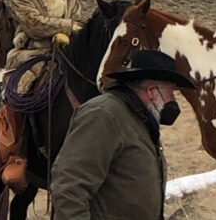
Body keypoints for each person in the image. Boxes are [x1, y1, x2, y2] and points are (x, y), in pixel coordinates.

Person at [51, 49, 195, 220]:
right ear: (152, 91)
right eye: (171, 92)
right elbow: (69, 187)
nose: (173, 101)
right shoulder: (103, 115)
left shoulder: (139, 118)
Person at [0, 0, 82, 190]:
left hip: (66, 51)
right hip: (33, 51)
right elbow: (32, 23)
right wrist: (65, 27)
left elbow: (77, 15)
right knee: (19, 90)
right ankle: (15, 153)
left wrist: (70, 32)